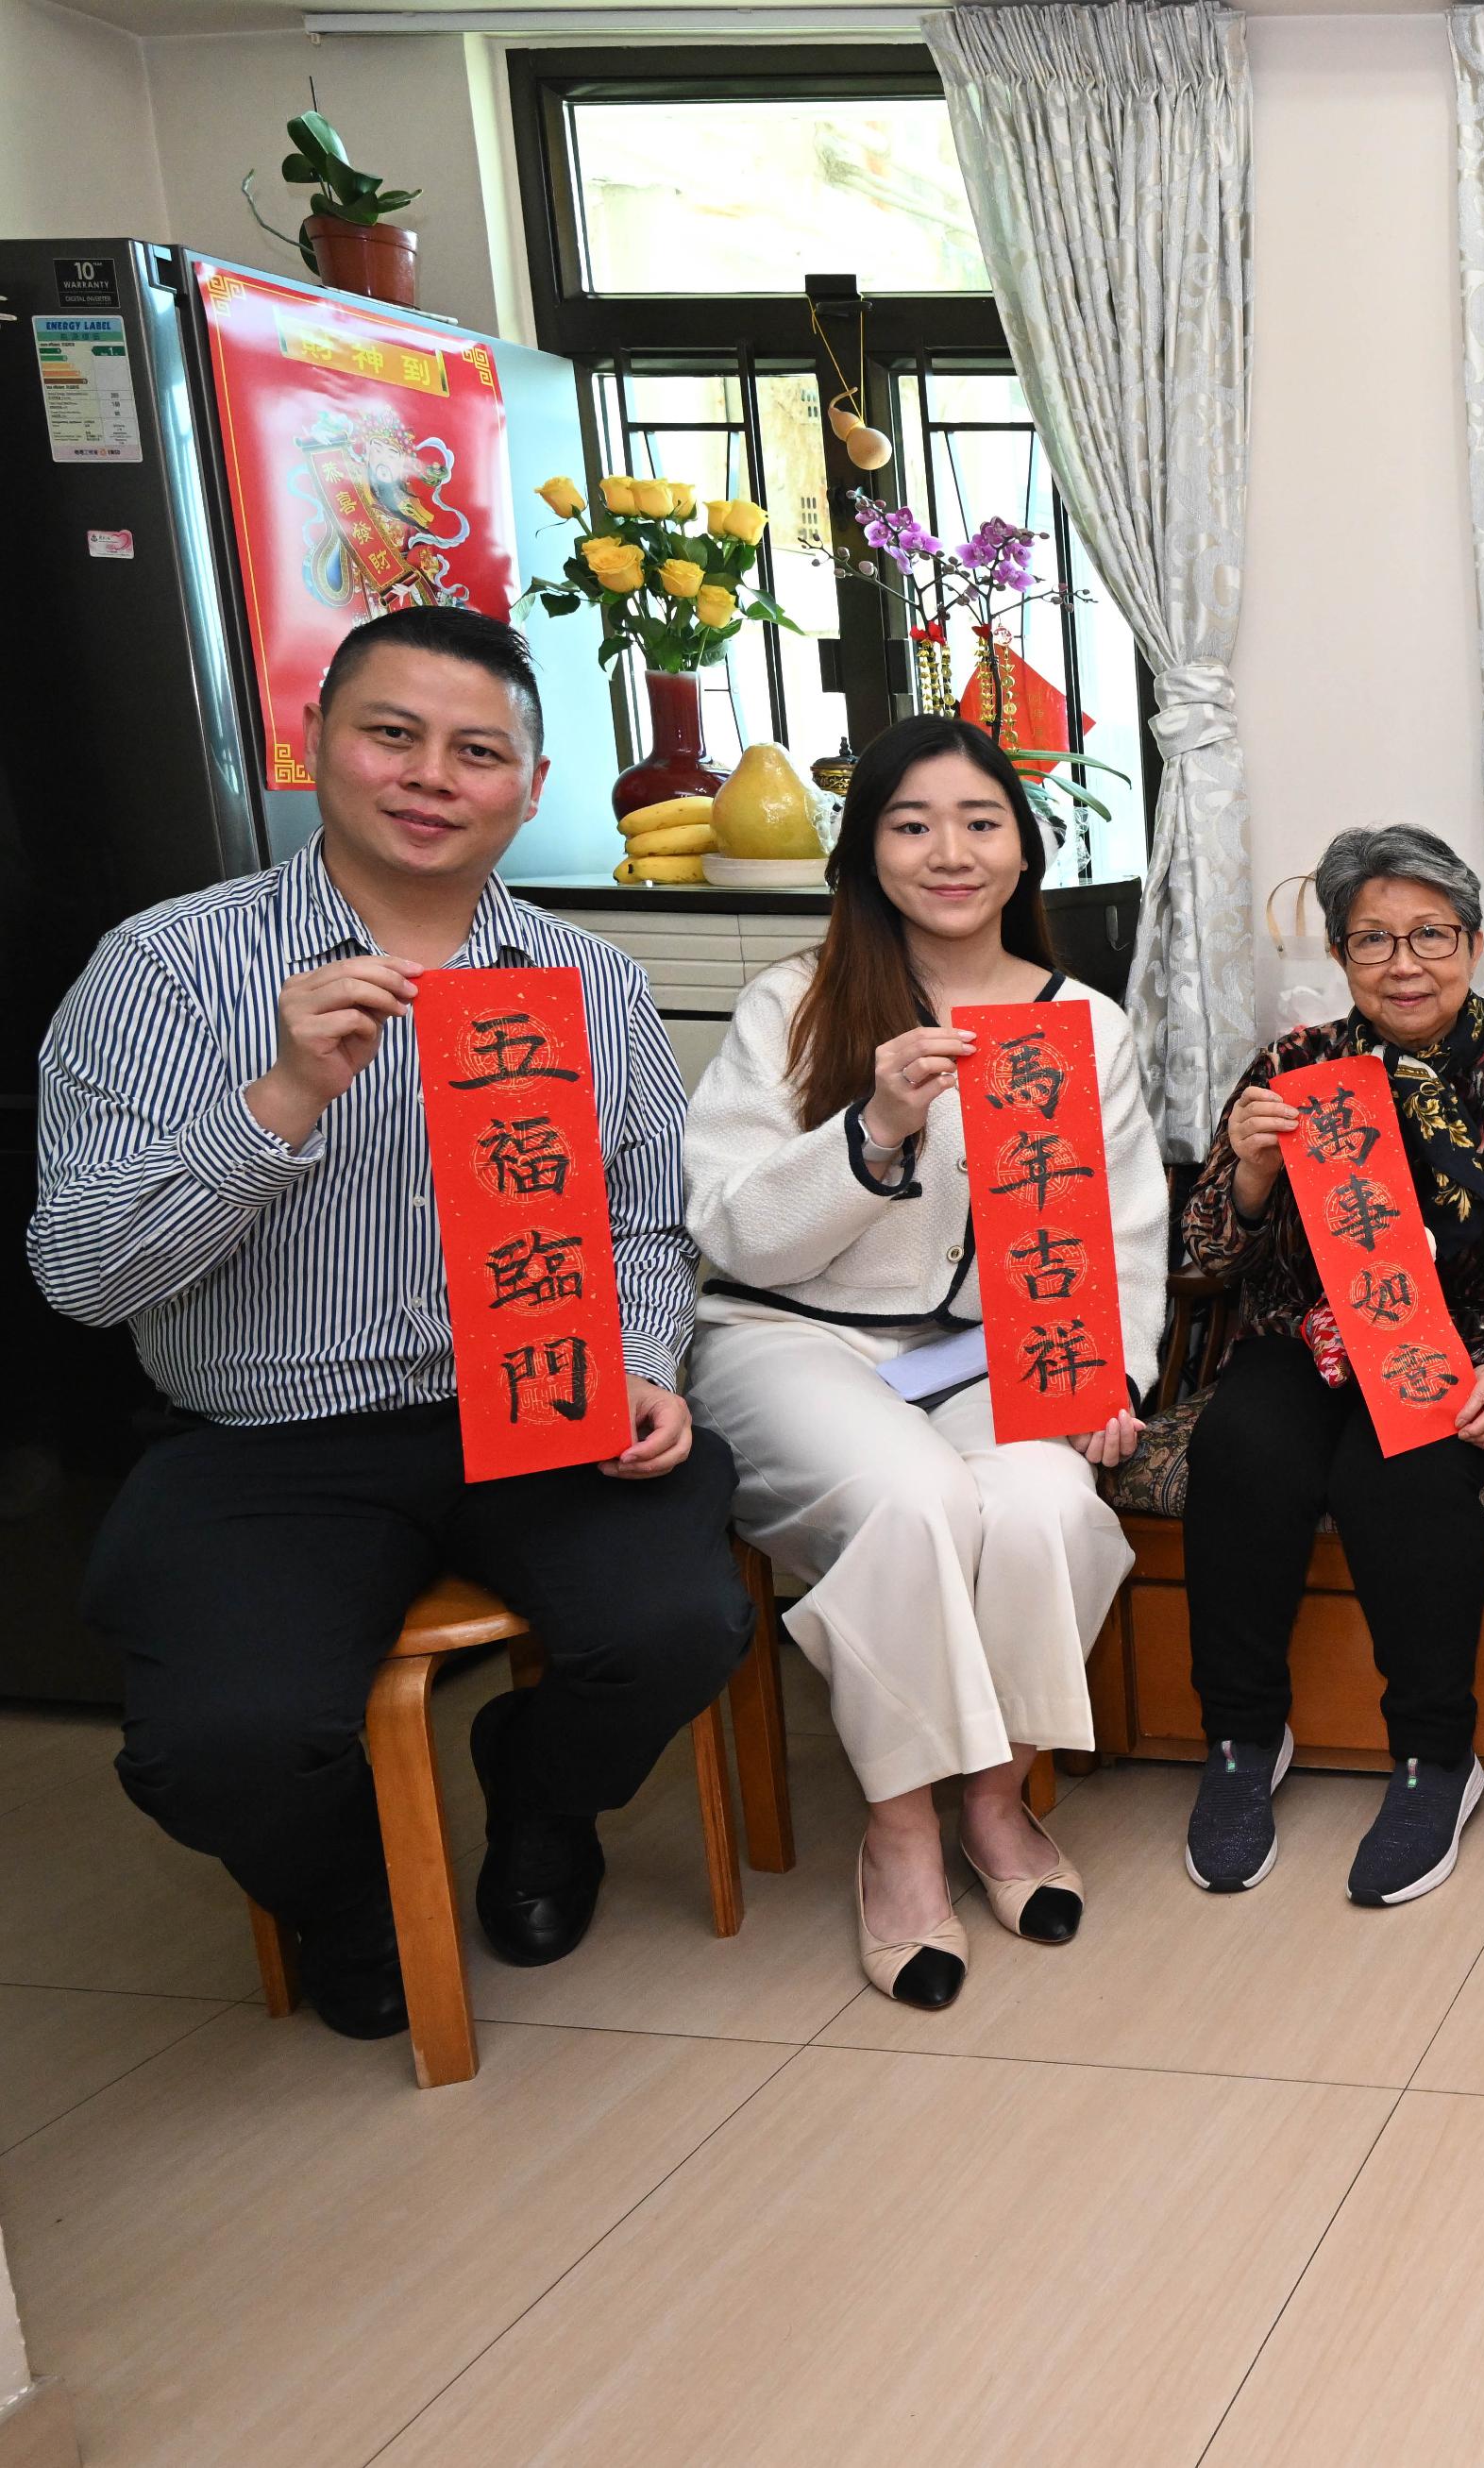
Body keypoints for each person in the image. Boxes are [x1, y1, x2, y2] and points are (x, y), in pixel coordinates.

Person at [27, 606, 750, 2042]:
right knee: (219, 1741)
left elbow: (640, 1226)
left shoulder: (588, 981)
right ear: (316, 743)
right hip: (263, 1436)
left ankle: (538, 1799)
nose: (430, 776)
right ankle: (349, 1895)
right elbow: (84, 1274)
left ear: (530, 789)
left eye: (476, 752)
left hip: (534, 1403)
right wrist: (281, 1097)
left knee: (679, 1621)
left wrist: (639, 1360)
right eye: (393, 735)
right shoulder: (168, 967)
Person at [683, 714, 1162, 2010]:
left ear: (1024, 851)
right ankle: (899, 1828)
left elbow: (1122, 1231)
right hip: (788, 1336)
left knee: (1049, 1502)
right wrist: (875, 1127)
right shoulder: (794, 1002)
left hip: (989, 1351)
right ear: (865, 851)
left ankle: (995, 1798)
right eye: (911, 824)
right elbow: (730, 1224)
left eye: (979, 822)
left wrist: (1105, 1376)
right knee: (918, 1500)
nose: (949, 851)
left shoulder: (1084, 1023)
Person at [1180, 825, 1484, 1906]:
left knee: (1397, 1470)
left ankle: (1433, 1757)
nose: (1404, 963)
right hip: (1309, 1338)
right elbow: (1207, 1257)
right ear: (1339, 955)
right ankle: (1241, 1739)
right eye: (1373, 939)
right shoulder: (1292, 1071)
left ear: (1473, 944)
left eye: (1431, 934)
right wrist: (1248, 1174)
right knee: (1240, 1447)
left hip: (1469, 1348)